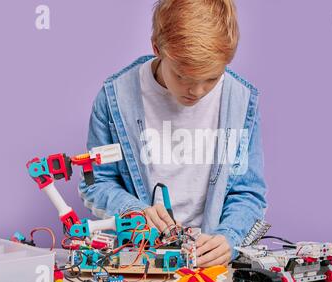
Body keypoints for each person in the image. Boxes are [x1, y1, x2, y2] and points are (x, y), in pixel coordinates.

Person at [79, 0, 267, 267]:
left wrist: (229, 239)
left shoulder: (240, 101)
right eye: (183, 77)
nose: (197, 91)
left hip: (208, 266)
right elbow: (97, 182)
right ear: (157, 49)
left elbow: (248, 193)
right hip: (142, 260)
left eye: (212, 78)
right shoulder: (114, 98)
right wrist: (134, 213)